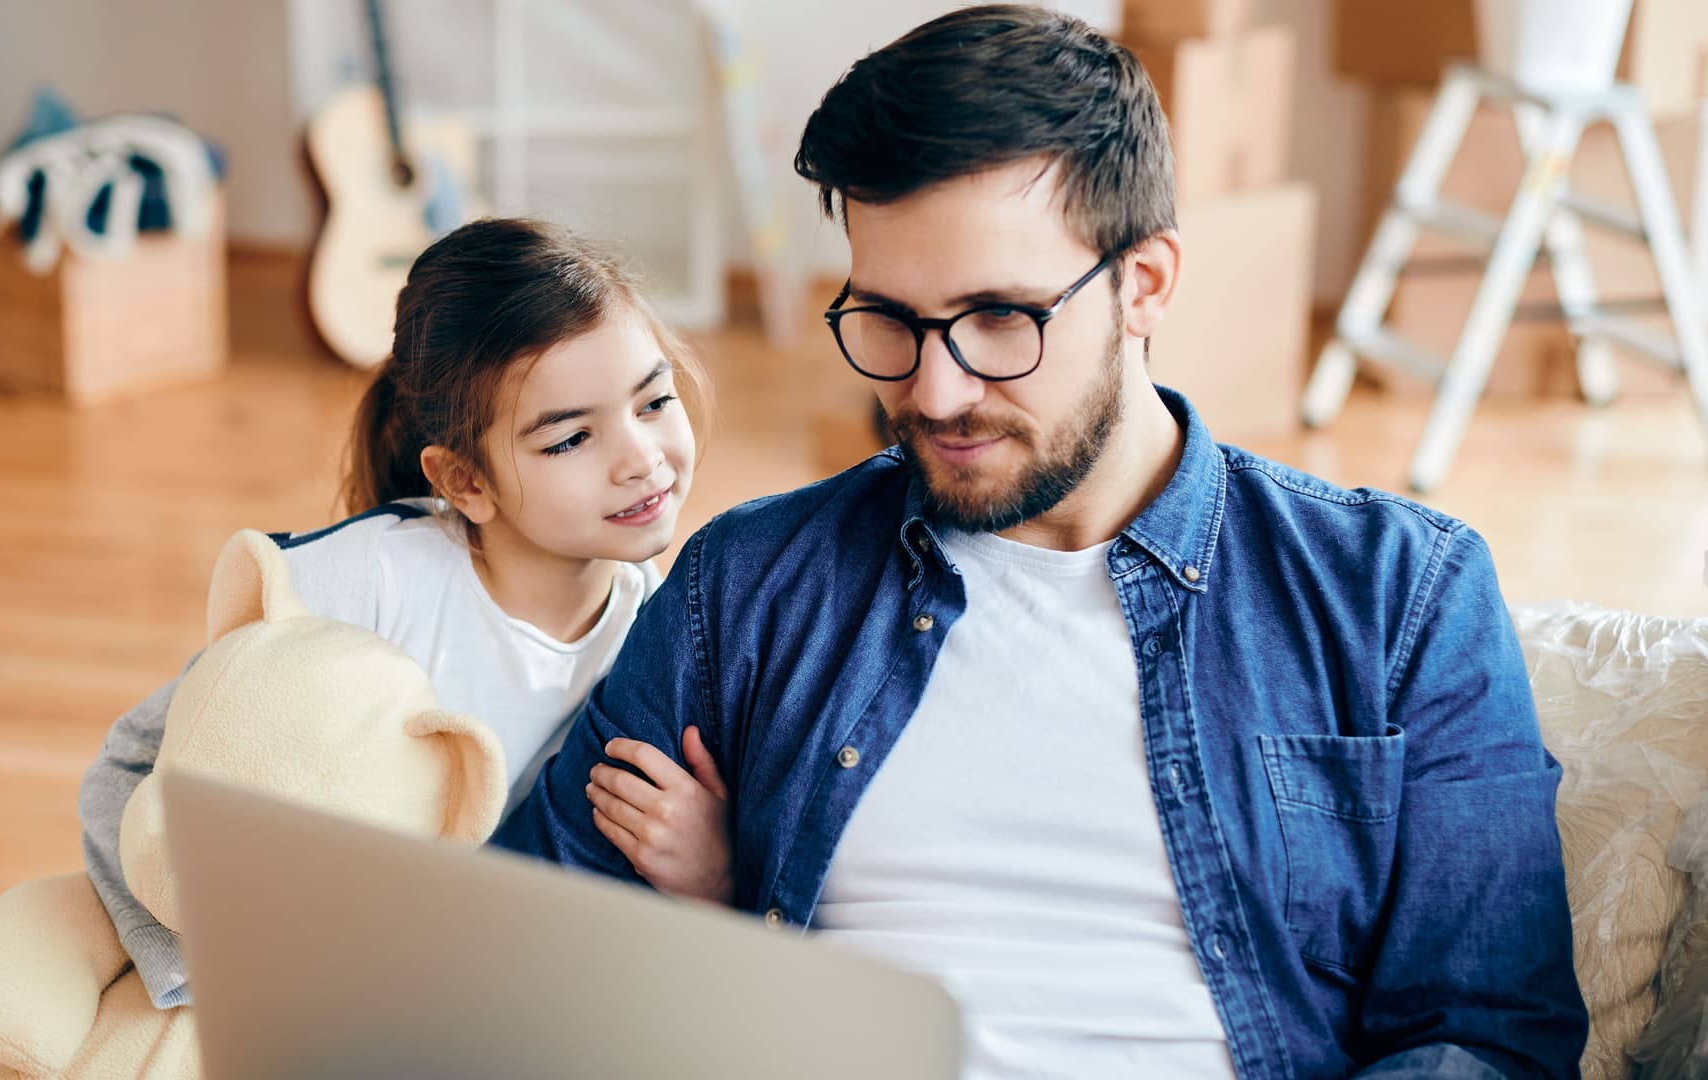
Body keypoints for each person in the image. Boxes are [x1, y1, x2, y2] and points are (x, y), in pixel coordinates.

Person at [494, 7, 1587, 1077]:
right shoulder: (749, 584)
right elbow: (520, 943)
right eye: (889, 319)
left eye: (1000, 318)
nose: (935, 389)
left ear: (1144, 284)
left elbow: (1487, 1038)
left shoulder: (1400, 595)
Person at [79, 217, 731, 1009]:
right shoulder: (370, 582)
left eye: (654, 400)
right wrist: (193, 976)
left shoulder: (660, 625)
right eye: (570, 440)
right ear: (464, 482)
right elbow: (132, 762)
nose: (642, 457)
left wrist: (712, 868)